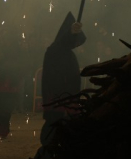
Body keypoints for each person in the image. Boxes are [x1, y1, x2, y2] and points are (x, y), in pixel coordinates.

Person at [36, 13, 86, 156]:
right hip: (57, 100)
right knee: (52, 133)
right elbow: (62, 42)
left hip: (68, 99)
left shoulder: (67, 53)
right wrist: (71, 32)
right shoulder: (54, 50)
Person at [0, 31, 25, 139]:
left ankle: (3, 129)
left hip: (10, 83)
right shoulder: (0, 48)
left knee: (5, 108)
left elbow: (19, 65)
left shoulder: (17, 51)